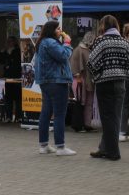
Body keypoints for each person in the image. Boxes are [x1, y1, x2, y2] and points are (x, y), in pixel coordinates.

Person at [87, 15, 129, 161]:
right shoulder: (125, 42)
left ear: (103, 26)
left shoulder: (101, 41)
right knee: (115, 117)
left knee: (107, 118)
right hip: (120, 83)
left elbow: (91, 62)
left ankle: (113, 152)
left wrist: (97, 76)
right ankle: (103, 148)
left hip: (105, 83)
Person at [34, 21, 76, 156]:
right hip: (57, 82)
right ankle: (60, 147)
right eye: (58, 29)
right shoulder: (51, 43)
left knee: (46, 112)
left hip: (46, 82)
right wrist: (68, 43)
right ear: (51, 30)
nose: (60, 31)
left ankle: (44, 145)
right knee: (59, 114)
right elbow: (63, 56)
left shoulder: (42, 43)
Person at [69, 31, 96, 132]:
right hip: (80, 80)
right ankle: (78, 125)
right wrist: (77, 75)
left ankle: (87, 124)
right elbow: (74, 65)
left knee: (88, 102)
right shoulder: (79, 50)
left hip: (87, 80)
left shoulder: (86, 50)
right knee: (81, 102)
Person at [0, 36, 22, 123]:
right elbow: (1, 61)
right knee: (8, 97)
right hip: (7, 76)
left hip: (16, 76)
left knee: (18, 97)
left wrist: (10, 55)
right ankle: (8, 117)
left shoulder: (17, 51)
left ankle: (18, 116)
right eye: (7, 41)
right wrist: (2, 52)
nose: (8, 43)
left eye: (10, 41)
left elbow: (17, 62)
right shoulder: (5, 51)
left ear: (14, 42)